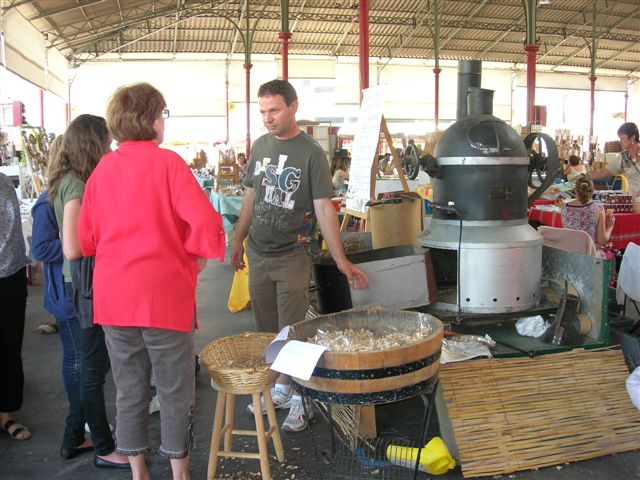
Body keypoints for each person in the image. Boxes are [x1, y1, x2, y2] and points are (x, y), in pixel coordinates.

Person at [77, 82, 225, 480]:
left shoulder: (102, 169)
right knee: (174, 390)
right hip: (164, 296)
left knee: (129, 388)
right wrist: (194, 253)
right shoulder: (168, 164)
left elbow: (85, 239)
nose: (163, 121)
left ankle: (138, 471)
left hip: (115, 298)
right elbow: (207, 223)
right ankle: (180, 474)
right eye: (162, 113)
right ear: (151, 119)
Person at [230, 79, 368, 433]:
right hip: (258, 252)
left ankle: (300, 398)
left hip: (293, 252)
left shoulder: (311, 153)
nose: (268, 118)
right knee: (266, 330)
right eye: (263, 112)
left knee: (292, 329)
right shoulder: (260, 147)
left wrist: (340, 259)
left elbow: (324, 208)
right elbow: (249, 199)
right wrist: (237, 240)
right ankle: (280, 387)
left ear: (293, 107)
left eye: (274, 110)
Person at [47, 114, 129, 468]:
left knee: (88, 367)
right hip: (83, 284)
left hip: (77, 284)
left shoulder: (69, 179)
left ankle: (73, 438)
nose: (111, 148)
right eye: (107, 142)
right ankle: (104, 448)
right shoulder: (77, 185)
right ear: (92, 145)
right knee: (93, 369)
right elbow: (72, 247)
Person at [0, 172, 31, 441]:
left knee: (9, 348)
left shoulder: (3, 183)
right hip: (10, 274)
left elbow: (11, 236)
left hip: (8, 275)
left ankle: (5, 414)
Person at [561, 175, 615, 258]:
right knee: (611, 255)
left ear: (575, 191)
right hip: (590, 255)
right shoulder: (598, 208)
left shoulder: (564, 208)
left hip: (569, 255)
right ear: (593, 191)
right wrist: (610, 226)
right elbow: (602, 241)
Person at [591, 122, 640, 197]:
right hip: (633, 201)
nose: (620, 141)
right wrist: (584, 176)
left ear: (632, 138)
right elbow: (602, 172)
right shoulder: (623, 157)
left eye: (622, 138)